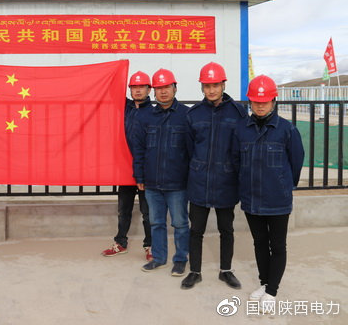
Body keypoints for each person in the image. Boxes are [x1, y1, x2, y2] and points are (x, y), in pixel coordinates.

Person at [232, 75, 304, 311]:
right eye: (256, 101)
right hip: (251, 197)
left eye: (264, 101)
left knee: (278, 245)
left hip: (277, 199)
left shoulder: (287, 129)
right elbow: (235, 160)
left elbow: (296, 163)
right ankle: (264, 283)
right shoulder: (241, 129)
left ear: (273, 101)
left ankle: (272, 291)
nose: (260, 105)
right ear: (250, 102)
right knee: (259, 243)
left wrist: (282, 185)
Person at [181, 62, 247, 290]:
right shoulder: (194, 114)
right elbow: (189, 148)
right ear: (202, 87)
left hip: (226, 182)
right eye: (207, 86)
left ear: (223, 85)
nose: (211, 90)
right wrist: (198, 167)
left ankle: (225, 270)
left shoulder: (238, 113)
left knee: (226, 230)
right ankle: (195, 272)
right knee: (196, 230)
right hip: (199, 181)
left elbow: (241, 148)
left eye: (215, 85)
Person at [131, 69, 191, 276]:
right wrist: (139, 176)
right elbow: (139, 149)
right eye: (159, 88)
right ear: (153, 91)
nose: (163, 92)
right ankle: (158, 258)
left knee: (180, 223)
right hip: (152, 181)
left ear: (175, 88)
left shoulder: (186, 115)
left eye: (167, 87)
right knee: (156, 222)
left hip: (178, 183)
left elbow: (192, 150)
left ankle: (180, 259)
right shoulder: (146, 117)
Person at [102, 71, 152, 260]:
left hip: (145, 170)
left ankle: (150, 246)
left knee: (148, 212)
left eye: (141, 87)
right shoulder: (125, 108)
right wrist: (116, 70)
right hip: (125, 169)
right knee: (124, 209)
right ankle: (120, 242)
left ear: (149, 89)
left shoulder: (153, 113)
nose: (137, 90)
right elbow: (109, 90)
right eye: (134, 87)